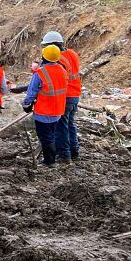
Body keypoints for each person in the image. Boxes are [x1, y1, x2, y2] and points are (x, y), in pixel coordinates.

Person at [22, 45, 68, 167]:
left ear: (43, 57)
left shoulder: (40, 73)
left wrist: (26, 104)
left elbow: (31, 93)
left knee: (46, 137)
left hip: (43, 112)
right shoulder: (63, 71)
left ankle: (50, 161)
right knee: (51, 134)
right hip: (58, 110)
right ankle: (51, 158)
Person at [42, 31, 81, 164]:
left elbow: (54, 78)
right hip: (75, 94)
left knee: (61, 126)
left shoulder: (59, 59)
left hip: (64, 96)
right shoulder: (72, 54)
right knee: (70, 124)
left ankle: (64, 155)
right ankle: (74, 151)